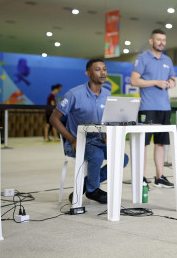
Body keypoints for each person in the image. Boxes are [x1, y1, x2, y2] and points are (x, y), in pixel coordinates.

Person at [49, 59, 129, 204]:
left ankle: (87, 184)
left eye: (104, 69)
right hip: (77, 143)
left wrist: (106, 136)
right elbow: (54, 118)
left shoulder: (107, 94)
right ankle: (93, 191)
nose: (103, 72)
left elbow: (107, 120)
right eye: (98, 69)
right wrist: (72, 139)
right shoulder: (74, 94)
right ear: (87, 73)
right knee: (96, 155)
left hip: (98, 141)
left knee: (122, 158)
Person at [130, 29, 176, 188]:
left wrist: (171, 82)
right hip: (147, 108)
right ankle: (141, 178)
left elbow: (173, 79)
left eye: (164, 40)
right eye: (158, 39)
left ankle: (159, 176)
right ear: (151, 41)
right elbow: (134, 81)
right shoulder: (142, 58)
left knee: (161, 144)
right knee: (143, 144)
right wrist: (156, 82)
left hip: (164, 107)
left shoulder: (167, 60)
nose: (162, 42)